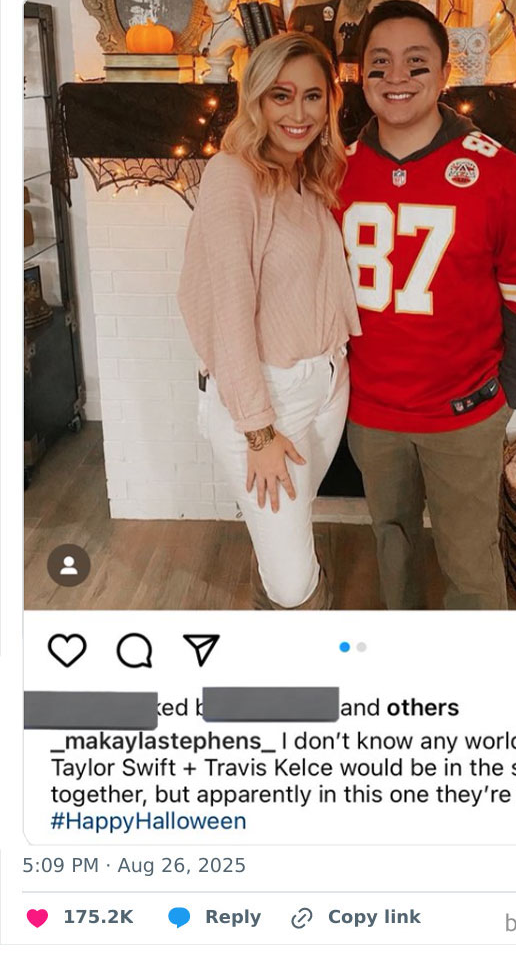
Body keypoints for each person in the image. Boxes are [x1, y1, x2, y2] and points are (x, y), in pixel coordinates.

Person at [337, 0, 516, 610]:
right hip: (373, 412)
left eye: (415, 61)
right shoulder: (335, 171)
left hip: (464, 413)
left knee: (470, 560)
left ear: (443, 72)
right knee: (393, 543)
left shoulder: (498, 170)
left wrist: (503, 396)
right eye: (379, 63)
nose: (397, 77)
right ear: (360, 75)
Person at [178, 33, 360, 610]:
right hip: (263, 402)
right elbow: (228, 310)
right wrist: (257, 432)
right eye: (282, 95)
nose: (298, 112)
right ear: (255, 99)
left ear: (329, 103)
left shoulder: (309, 176)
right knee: (291, 584)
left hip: (328, 386)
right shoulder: (232, 176)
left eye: (313, 96)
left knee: (287, 531)